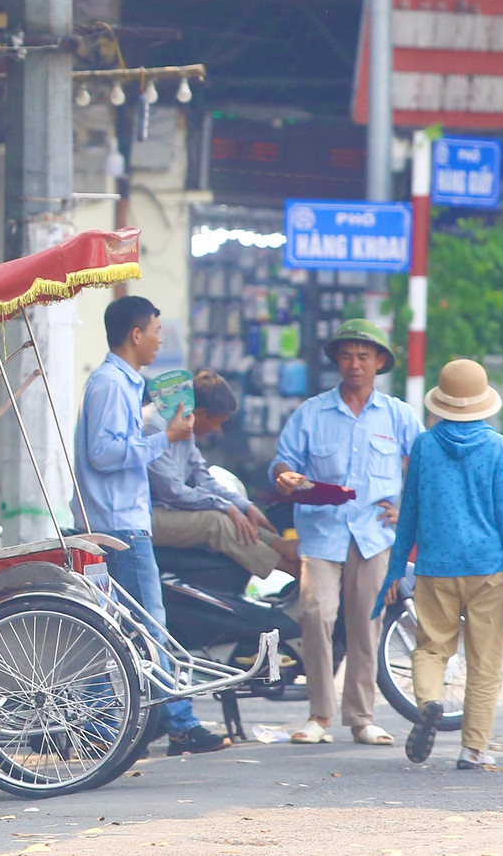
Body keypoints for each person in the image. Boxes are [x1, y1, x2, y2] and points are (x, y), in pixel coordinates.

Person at [73, 295, 231, 756]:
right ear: (136, 334)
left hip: (119, 520)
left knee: (118, 627)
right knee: (147, 627)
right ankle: (176, 723)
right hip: (118, 525)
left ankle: (104, 726)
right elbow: (104, 454)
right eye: (157, 330)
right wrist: (166, 439)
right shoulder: (109, 383)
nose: (162, 340)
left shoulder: (125, 383)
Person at [373, 359, 503, 770]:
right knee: (484, 662)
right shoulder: (498, 448)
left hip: (435, 568)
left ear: (441, 402)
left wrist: (395, 569)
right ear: (483, 403)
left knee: (430, 648)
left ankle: (428, 701)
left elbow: (408, 513)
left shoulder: (425, 446)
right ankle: (472, 749)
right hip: (490, 570)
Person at [270, 319, 422, 746]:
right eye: (348, 356)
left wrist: (408, 509)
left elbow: (425, 466)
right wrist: (285, 476)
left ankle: (362, 717)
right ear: (338, 361)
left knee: (366, 622)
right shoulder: (312, 412)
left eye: (364, 356)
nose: (355, 364)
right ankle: (319, 714)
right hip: (321, 532)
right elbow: (282, 461)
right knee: (316, 613)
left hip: (374, 535)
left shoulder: (397, 414)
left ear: (378, 363)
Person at [146, 369, 300, 580]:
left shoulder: (185, 426)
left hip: (168, 508)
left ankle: (279, 544)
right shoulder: (158, 427)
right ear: (200, 413)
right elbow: (173, 491)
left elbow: (203, 478)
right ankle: (288, 568)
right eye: (217, 421)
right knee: (216, 521)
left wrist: (245, 506)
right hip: (145, 516)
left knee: (235, 512)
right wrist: (226, 507)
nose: (217, 429)